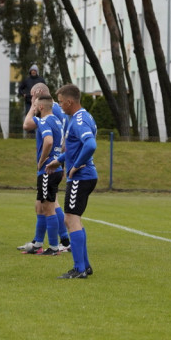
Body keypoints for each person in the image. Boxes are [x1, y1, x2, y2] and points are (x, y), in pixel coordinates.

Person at [47, 84, 97, 279]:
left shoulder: (78, 120)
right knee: (73, 219)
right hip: (84, 176)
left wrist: (75, 165)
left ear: (69, 102)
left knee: (70, 219)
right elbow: (75, 147)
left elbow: (91, 144)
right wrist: (59, 160)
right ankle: (84, 265)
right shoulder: (80, 117)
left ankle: (79, 269)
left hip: (81, 176)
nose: (59, 107)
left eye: (60, 102)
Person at [17, 82, 70, 254]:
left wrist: (44, 161)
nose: (30, 99)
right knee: (42, 205)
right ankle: (39, 242)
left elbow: (28, 126)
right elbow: (63, 141)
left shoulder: (48, 115)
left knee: (49, 206)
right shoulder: (58, 114)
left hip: (49, 167)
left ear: (39, 96)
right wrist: (59, 160)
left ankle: (58, 243)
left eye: (32, 96)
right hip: (56, 163)